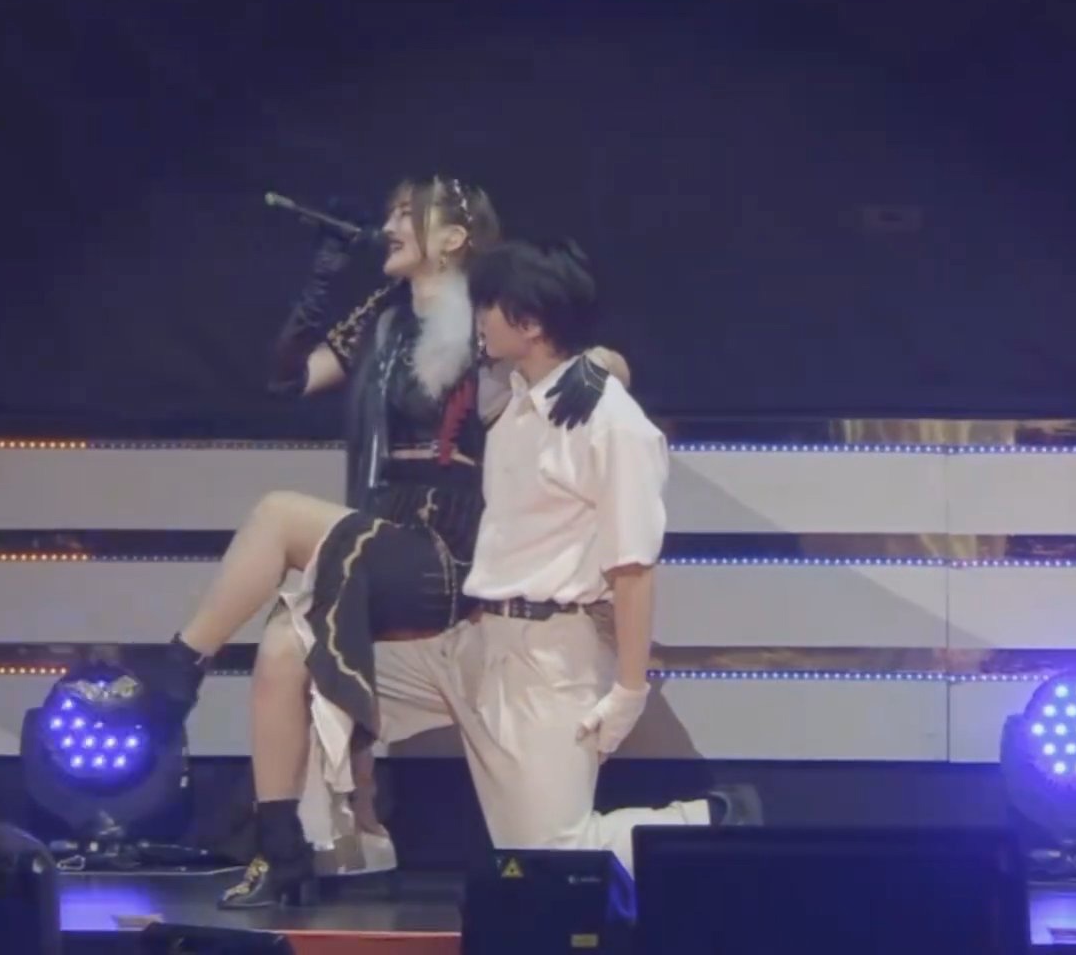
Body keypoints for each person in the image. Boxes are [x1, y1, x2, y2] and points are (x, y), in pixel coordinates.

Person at [142, 176, 627, 908]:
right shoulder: (385, 319)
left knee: (277, 514)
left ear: (454, 237)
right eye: (392, 212)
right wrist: (322, 276)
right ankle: (279, 850)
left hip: (450, 542)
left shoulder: (489, 316)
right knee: (282, 646)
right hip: (382, 528)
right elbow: (287, 379)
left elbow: (584, 354)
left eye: (407, 213)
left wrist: (599, 367)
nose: (390, 224)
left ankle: (172, 680)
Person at [362, 238, 761, 875]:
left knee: (549, 854)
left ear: (529, 322)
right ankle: (336, 845)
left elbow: (633, 568)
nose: (479, 320)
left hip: (549, 657)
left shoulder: (611, 424)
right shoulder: (518, 401)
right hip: (475, 643)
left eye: (489, 307)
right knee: (318, 668)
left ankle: (708, 822)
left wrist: (629, 689)